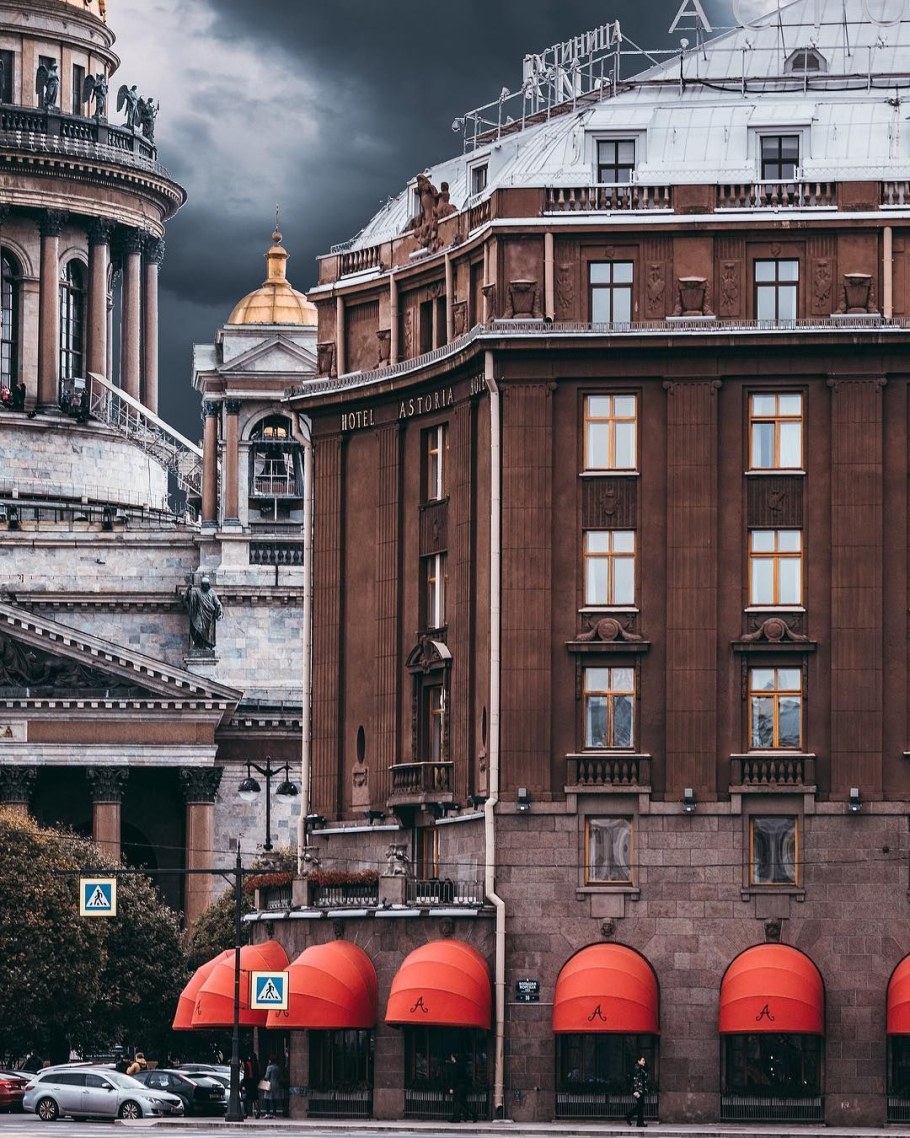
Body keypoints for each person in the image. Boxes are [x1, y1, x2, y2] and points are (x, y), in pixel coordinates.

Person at [184, 576, 223, 649]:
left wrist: (220, 612)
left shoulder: (212, 592)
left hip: (209, 616)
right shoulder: (197, 592)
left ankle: (206, 645)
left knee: (207, 631)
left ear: (208, 585)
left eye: (206, 584)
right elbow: (186, 598)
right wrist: (188, 589)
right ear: (202, 585)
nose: (205, 586)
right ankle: (198, 644)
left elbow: (217, 603)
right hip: (199, 614)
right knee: (198, 628)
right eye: (203, 584)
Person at [446, 1052, 477, 1123]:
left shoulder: (455, 1066)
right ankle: (473, 1114)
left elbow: (454, 1078)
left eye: (451, 1057)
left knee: (456, 1102)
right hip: (463, 1087)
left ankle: (457, 1117)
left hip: (457, 1087)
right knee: (464, 1102)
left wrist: (451, 1087)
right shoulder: (462, 1066)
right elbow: (466, 1077)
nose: (451, 1058)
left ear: (454, 1058)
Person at [624, 1055, 650, 1128]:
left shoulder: (640, 1068)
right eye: (643, 1060)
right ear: (639, 1061)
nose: (644, 1062)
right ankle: (629, 1116)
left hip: (640, 1090)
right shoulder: (637, 1068)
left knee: (640, 1105)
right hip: (638, 1090)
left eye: (644, 1060)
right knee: (641, 1105)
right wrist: (636, 1091)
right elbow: (636, 1080)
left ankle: (639, 1122)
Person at [242, 1053, 261, 1119]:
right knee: (255, 1099)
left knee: (246, 1099)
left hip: (248, 1083)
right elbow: (258, 1074)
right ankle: (257, 1111)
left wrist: (243, 1084)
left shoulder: (247, 1063)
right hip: (254, 1083)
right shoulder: (256, 1064)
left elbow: (245, 1074)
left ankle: (246, 1112)